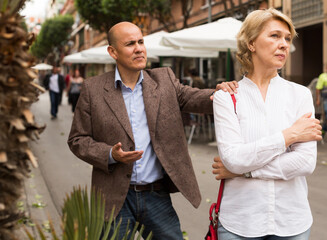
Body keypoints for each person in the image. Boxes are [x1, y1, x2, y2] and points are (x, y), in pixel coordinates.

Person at [67, 21, 237, 239]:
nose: (139, 48)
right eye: (130, 44)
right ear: (113, 52)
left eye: (141, 41)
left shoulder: (164, 79)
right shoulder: (94, 89)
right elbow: (77, 139)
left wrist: (219, 93)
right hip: (115, 198)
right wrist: (110, 154)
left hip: (156, 195)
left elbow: (192, 97)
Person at [212, 8, 322, 240]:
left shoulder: (300, 95)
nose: (284, 44)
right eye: (274, 36)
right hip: (239, 224)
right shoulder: (227, 97)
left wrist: (243, 172)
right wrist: (289, 136)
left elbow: (304, 162)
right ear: (251, 43)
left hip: (292, 223)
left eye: (287, 38)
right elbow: (233, 158)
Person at [316, 68, 327, 137]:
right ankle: (324, 129)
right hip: (326, 98)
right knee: (326, 113)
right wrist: (318, 99)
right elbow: (318, 88)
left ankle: (324, 128)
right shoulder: (322, 76)